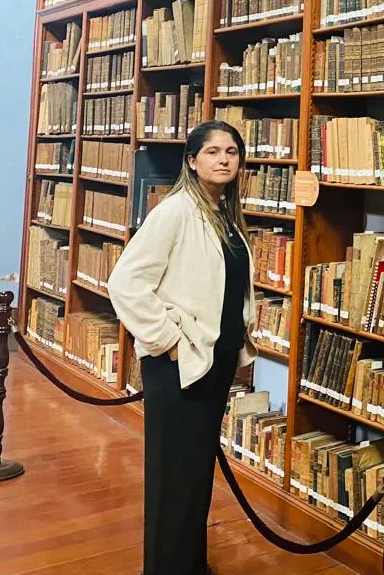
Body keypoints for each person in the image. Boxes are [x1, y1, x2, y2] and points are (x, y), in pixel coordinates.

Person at [108, 120, 256, 575]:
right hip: (179, 365)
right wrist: (168, 340)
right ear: (192, 161)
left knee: (194, 475)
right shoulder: (175, 212)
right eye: (212, 151)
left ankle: (190, 564)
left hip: (214, 362)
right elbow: (126, 284)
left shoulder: (225, 215)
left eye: (232, 151)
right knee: (173, 477)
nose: (224, 159)